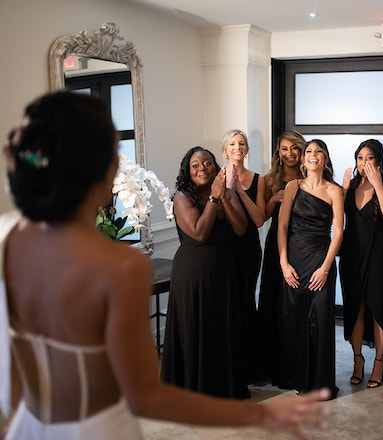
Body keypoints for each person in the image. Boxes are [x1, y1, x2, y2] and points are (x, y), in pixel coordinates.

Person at [0, 92, 330, 440]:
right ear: (107, 169)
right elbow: (146, 397)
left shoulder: (7, 237)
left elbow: (12, 385)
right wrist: (259, 416)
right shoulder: (120, 266)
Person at [161, 146, 250, 399]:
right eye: (196, 165)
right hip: (193, 274)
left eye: (208, 163)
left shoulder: (227, 193)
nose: (202, 169)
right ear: (188, 171)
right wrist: (213, 198)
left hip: (223, 271)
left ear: (216, 166)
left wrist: (223, 197)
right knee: (195, 329)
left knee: (220, 330)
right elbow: (199, 233)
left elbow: (241, 228)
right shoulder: (181, 197)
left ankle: (222, 389)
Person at [277, 139, 344, 398]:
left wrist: (325, 268)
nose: (313, 155)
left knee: (321, 320)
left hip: (321, 260)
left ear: (325, 158)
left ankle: (320, 383)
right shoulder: (292, 187)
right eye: (309, 151)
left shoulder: (334, 191)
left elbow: (338, 232)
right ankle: (298, 377)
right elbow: (282, 227)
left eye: (318, 151)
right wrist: (284, 264)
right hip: (293, 260)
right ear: (304, 159)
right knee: (294, 320)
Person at [340, 139, 383, 388]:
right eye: (360, 158)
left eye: (370, 158)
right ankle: (357, 360)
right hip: (352, 254)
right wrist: (342, 191)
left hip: (378, 254)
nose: (364, 163)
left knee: (378, 308)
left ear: (379, 161)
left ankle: (379, 362)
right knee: (355, 309)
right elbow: (335, 217)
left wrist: (377, 185)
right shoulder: (350, 186)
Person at [260, 130, 305, 385]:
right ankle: (271, 361)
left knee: (294, 301)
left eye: (294, 148)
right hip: (276, 243)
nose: (289, 154)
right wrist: (274, 199)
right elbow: (262, 218)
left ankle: (295, 358)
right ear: (279, 152)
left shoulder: (308, 175)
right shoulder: (269, 179)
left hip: (302, 244)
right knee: (273, 299)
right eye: (284, 149)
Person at [222, 129, 266, 383]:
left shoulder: (258, 180)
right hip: (224, 248)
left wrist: (238, 189)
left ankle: (250, 367)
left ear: (246, 150)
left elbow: (259, 220)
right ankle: (228, 365)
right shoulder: (216, 176)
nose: (237, 147)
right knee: (228, 304)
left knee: (246, 301)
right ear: (225, 150)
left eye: (242, 144)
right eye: (232, 143)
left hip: (248, 247)